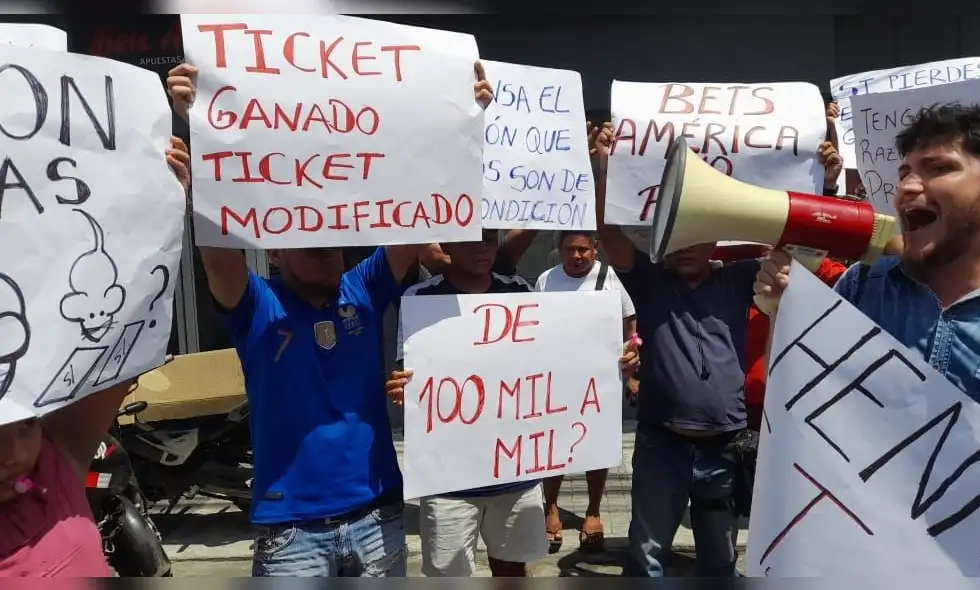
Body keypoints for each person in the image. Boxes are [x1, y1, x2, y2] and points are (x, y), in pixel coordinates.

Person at [166, 61, 494, 578]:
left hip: (378, 516)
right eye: (310, 244)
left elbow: (418, 207)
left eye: (333, 242)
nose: (328, 253)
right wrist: (199, 126)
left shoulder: (362, 286)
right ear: (274, 251)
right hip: (291, 532)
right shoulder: (255, 305)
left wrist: (461, 121)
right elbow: (218, 250)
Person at [385, 228, 640, 577]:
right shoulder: (421, 298)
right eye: (472, 240)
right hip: (449, 480)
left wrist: (614, 361)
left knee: (513, 570)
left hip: (515, 473)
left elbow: (556, 357)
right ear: (446, 245)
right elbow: (409, 371)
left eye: (490, 239)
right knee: (447, 576)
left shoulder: (520, 291)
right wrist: (402, 384)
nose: (483, 248)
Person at [1, 138, 192, 577]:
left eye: (28, 424)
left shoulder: (55, 464)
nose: (13, 453)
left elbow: (121, 344)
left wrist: (163, 215)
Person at [592, 119, 763, 577]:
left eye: (695, 236)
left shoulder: (740, 278)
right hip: (662, 445)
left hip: (725, 447)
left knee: (720, 563)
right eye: (676, 237)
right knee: (647, 557)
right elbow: (608, 234)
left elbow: (799, 248)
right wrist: (603, 165)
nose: (685, 248)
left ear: (714, 241)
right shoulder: (649, 283)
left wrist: (821, 183)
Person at [756, 103, 980, 418]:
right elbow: (797, 399)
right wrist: (782, 313)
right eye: (905, 173)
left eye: (939, 168)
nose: (908, 187)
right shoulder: (863, 286)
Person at [534, 230, 637, 552]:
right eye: (569, 250)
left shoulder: (609, 277)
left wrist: (632, 369)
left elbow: (630, 324)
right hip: (554, 378)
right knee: (554, 450)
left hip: (599, 381)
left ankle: (593, 512)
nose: (576, 256)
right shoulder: (545, 280)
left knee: (597, 447)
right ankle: (551, 509)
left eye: (583, 250)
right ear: (558, 250)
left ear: (596, 249)